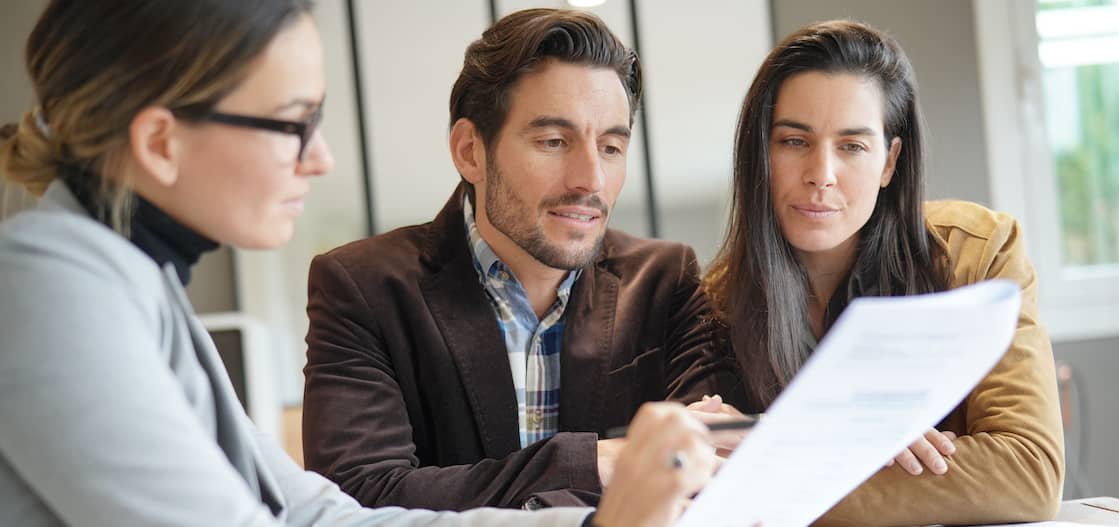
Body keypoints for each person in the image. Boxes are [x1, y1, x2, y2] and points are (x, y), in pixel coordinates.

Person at [0, 2, 717, 526]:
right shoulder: (44, 288)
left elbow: (317, 515)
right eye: (292, 122)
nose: (321, 157)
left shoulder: (133, 281)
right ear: (160, 142)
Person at [300, 7, 742, 512]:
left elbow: (705, 477)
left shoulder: (664, 280)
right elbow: (357, 500)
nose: (591, 179)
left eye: (612, 147)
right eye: (553, 142)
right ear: (471, 151)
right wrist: (597, 462)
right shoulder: (363, 287)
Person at [700, 20, 1065, 526]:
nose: (821, 174)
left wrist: (790, 459)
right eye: (793, 141)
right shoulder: (715, 299)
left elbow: (1029, 474)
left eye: (852, 146)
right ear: (762, 151)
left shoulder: (978, 255)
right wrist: (858, 447)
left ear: (890, 161)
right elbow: (704, 477)